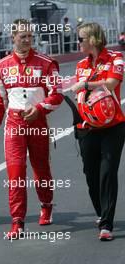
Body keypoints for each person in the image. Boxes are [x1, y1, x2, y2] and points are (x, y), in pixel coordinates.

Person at [0, 18, 64, 239]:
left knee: (41, 168)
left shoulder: (47, 63)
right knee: (15, 173)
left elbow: (58, 94)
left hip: (37, 122)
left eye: (30, 35)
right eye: (22, 36)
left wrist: (40, 109)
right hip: (14, 124)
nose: (27, 39)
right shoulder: (0, 66)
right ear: (12, 37)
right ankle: (17, 222)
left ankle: (46, 204)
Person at [69, 22, 125, 241]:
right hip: (87, 127)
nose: (78, 42)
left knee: (108, 173)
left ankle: (107, 224)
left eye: (80, 39)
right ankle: (101, 212)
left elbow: (111, 84)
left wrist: (85, 85)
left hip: (113, 126)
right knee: (90, 174)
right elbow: (78, 93)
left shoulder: (115, 58)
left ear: (92, 39)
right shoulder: (81, 63)